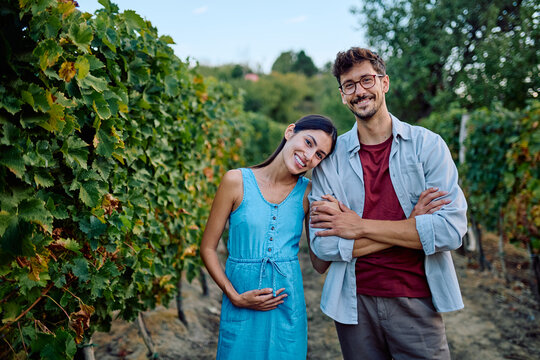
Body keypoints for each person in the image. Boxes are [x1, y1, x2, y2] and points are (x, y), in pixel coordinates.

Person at [308, 47, 468, 359]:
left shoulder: (428, 146)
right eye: (349, 85)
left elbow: (450, 231)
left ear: (385, 83)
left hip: (417, 298)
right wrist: (413, 229)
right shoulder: (330, 160)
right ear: (342, 95)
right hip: (353, 304)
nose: (359, 91)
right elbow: (323, 246)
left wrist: (359, 227)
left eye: (367, 80)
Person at [200, 114, 338, 359]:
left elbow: (318, 264)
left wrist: (336, 226)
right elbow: (208, 248)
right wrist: (234, 295)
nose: (309, 156)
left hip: (287, 311)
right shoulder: (236, 181)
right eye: (308, 142)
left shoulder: (308, 193)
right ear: (290, 132)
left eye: (319, 155)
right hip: (240, 303)